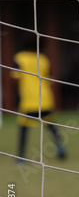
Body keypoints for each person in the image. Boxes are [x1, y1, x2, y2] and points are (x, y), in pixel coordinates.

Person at [11, 32, 66, 161]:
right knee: (50, 124)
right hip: (45, 98)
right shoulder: (43, 59)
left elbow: (15, 78)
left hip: (29, 100)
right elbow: (50, 80)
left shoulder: (19, 58)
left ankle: (21, 156)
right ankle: (61, 148)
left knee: (24, 128)